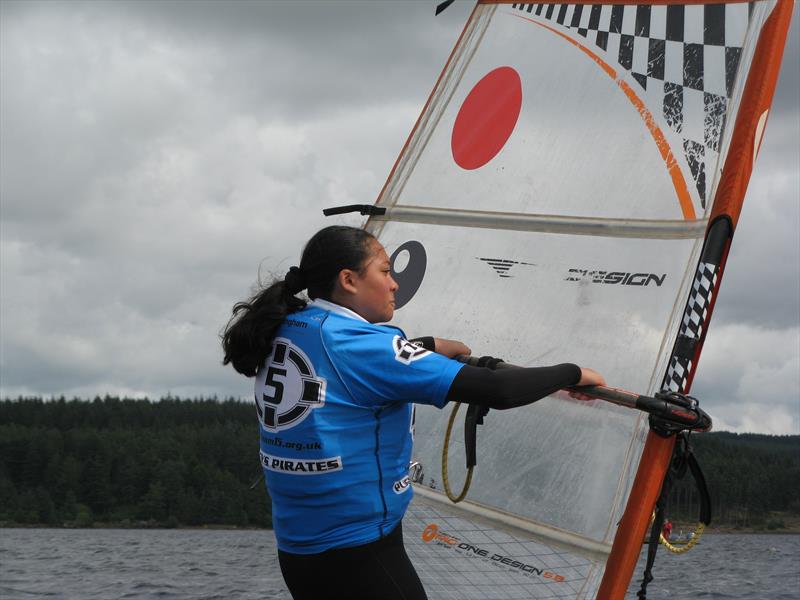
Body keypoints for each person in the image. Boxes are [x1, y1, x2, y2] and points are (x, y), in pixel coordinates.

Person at [222, 225, 605, 600]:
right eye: (385, 271)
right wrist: (571, 373)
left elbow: (347, 368)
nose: (394, 285)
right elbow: (498, 390)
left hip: (299, 556)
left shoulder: (286, 327)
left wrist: (428, 345)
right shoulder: (362, 347)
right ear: (349, 280)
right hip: (361, 557)